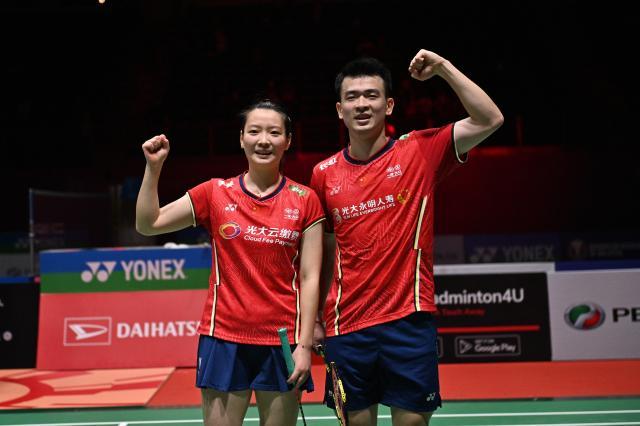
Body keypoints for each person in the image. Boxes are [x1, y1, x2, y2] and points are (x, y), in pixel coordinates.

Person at [310, 50, 504, 425]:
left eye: (372, 95)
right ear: (339, 110)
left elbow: (490, 119)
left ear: (389, 105)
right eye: (352, 97)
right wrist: (316, 317)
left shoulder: (419, 150)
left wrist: (444, 68)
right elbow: (326, 251)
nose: (362, 104)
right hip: (346, 326)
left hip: (408, 320)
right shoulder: (324, 174)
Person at [136, 100, 325, 426]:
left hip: (282, 339)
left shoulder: (305, 200)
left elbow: (310, 277)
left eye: (274, 132)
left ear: (287, 141)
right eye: (254, 131)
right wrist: (153, 168)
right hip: (223, 337)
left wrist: (305, 346)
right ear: (241, 138)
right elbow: (148, 223)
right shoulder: (215, 193)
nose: (263, 140)